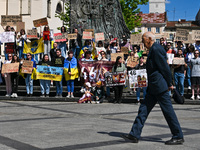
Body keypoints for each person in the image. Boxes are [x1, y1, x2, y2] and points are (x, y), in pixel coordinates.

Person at [122, 32, 184, 145]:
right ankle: (134, 134)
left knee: (168, 112)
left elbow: (164, 68)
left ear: (149, 39)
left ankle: (178, 136)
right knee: (143, 110)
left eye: (143, 39)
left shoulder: (156, 49)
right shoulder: (153, 49)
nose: (142, 42)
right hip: (153, 87)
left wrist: (170, 83)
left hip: (160, 87)